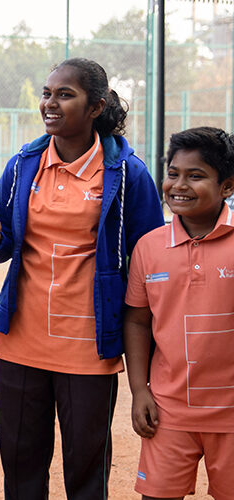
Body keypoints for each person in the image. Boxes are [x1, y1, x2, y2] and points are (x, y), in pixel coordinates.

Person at [0, 57, 164, 498]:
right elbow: (1, 249)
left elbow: (151, 259)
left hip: (89, 347)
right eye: (47, 94)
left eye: (65, 95)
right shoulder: (23, 165)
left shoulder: (127, 173)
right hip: (20, 342)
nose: (50, 104)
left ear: (95, 107)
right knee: (21, 470)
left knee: (87, 473)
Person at [124, 127, 234, 500]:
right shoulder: (149, 247)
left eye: (196, 175)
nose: (179, 185)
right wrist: (140, 390)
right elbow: (138, 321)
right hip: (169, 413)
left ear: (228, 187)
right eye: (173, 173)